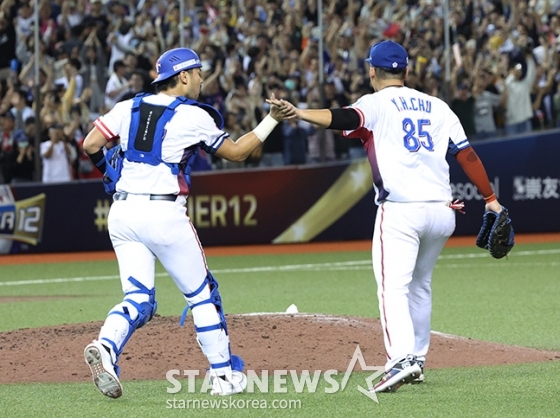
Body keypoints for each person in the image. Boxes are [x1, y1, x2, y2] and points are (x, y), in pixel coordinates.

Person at [270, 40, 505, 393]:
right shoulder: (438, 106)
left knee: (392, 288)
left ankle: (400, 361)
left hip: (402, 213)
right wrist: (491, 199)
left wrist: (300, 113)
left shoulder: (375, 103)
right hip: (442, 212)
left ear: (371, 71)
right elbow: (466, 155)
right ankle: (418, 360)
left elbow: (344, 118)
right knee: (420, 286)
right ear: (407, 71)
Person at [81, 47, 294, 399]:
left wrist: (109, 172)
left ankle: (106, 347)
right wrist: (272, 118)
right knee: (202, 295)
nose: (200, 78)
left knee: (138, 298)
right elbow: (239, 152)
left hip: (122, 213)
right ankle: (224, 376)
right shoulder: (193, 116)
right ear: (182, 76)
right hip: (163, 214)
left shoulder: (126, 107)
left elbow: (91, 143)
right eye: (197, 72)